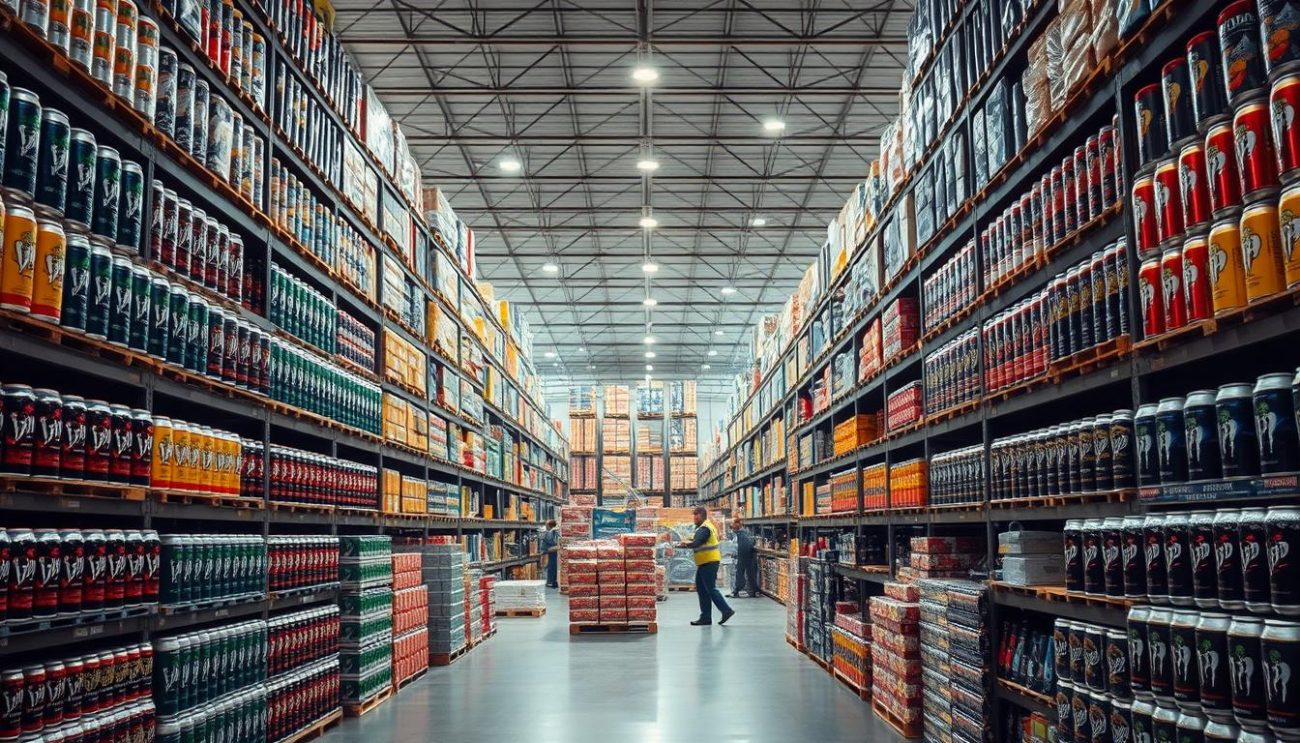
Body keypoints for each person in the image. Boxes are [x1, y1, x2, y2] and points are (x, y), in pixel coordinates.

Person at [679, 506, 734, 626]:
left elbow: (697, 543)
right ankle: (705, 617)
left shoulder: (704, 528)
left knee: (710, 589)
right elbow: (696, 540)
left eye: (696, 515)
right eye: (693, 515)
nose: (694, 517)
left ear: (701, 515)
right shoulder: (704, 527)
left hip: (709, 562)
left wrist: (685, 545)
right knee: (702, 589)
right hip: (705, 562)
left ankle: (726, 610)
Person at [729, 517, 759, 598]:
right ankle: (754, 591)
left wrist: (738, 556)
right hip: (747, 555)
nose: (732, 529)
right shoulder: (742, 533)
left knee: (742, 573)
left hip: (745, 556)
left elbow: (744, 546)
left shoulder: (742, 534)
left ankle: (737, 591)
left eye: (733, 527)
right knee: (749, 573)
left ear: (738, 525)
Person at [540, 519, 560, 588]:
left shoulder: (553, 533)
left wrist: (551, 548)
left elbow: (556, 543)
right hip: (550, 553)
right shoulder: (550, 532)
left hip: (552, 553)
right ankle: (551, 582)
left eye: (546, 525)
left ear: (550, 526)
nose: (546, 526)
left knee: (551, 568)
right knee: (550, 568)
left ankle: (551, 582)